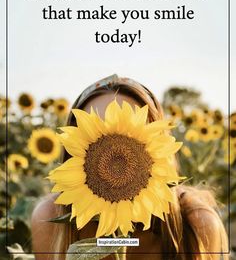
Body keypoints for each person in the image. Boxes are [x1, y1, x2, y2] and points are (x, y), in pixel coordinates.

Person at [31, 75, 228, 260]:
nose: (115, 143)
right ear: (72, 149)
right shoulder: (50, 219)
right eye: (95, 128)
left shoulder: (196, 225)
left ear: (158, 145)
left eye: (130, 135)